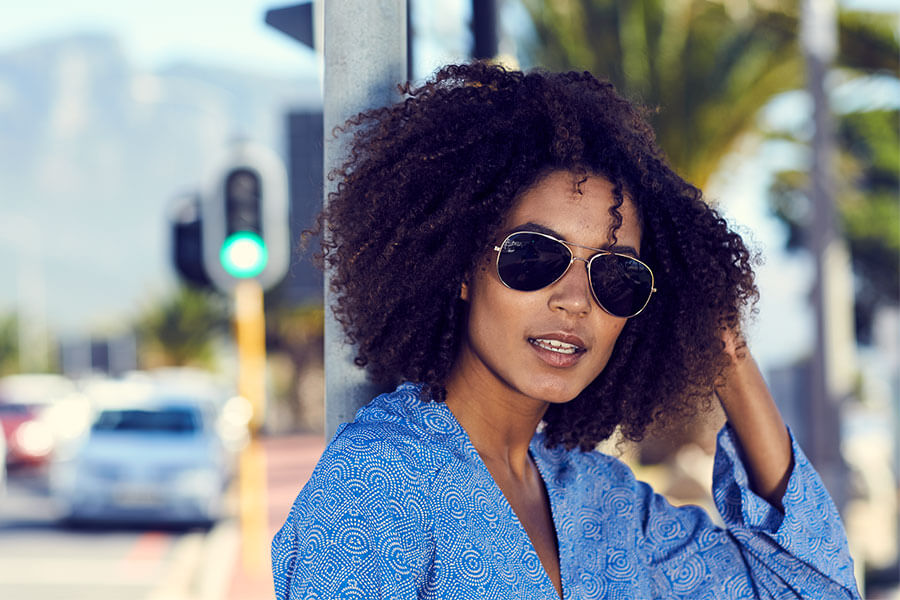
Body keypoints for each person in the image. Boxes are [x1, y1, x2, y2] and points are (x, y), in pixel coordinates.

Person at [271, 62, 860, 599]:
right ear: (461, 270)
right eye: (534, 257)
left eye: (616, 277)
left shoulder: (602, 502)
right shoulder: (377, 483)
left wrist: (725, 349)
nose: (575, 299)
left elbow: (814, 591)